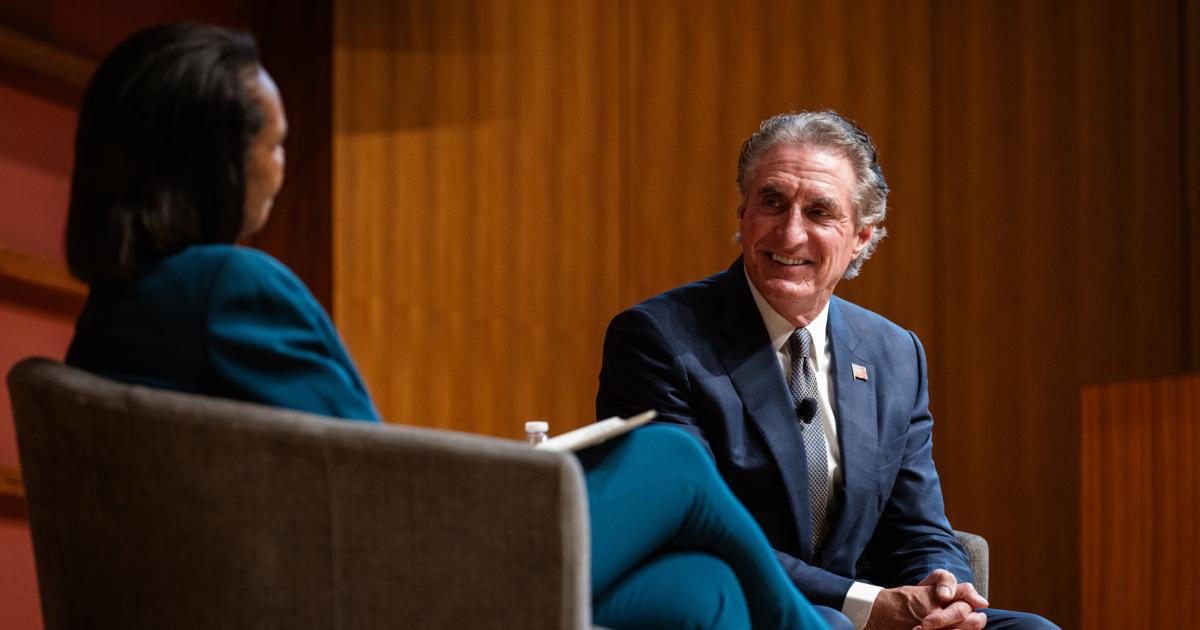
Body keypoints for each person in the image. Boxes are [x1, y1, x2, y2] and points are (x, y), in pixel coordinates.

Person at [62, 22, 829, 630]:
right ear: (217, 160)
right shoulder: (228, 287)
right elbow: (364, 487)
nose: (281, 165)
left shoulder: (119, 312)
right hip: (384, 599)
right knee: (668, 456)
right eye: (274, 143)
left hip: (293, 590)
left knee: (702, 590)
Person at [596, 112, 1058, 630]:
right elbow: (695, 529)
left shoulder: (894, 353)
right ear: (743, 211)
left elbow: (919, 529)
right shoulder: (659, 338)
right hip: (744, 608)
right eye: (772, 202)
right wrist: (867, 605)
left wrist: (944, 591)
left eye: (819, 212)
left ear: (861, 236)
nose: (790, 233)